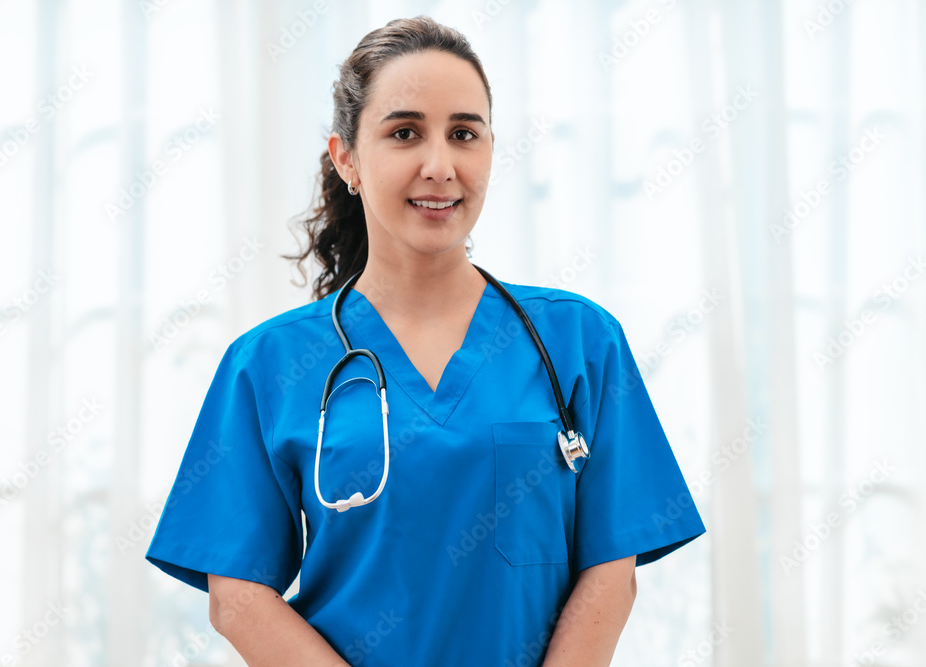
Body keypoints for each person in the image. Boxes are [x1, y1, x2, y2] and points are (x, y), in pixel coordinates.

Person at [145, 15, 705, 666]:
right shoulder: (268, 365)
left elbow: (612, 567)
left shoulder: (579, 342)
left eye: (464, 134)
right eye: (405, 132)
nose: (440, 165)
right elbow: (236, 594)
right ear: (346, 158)